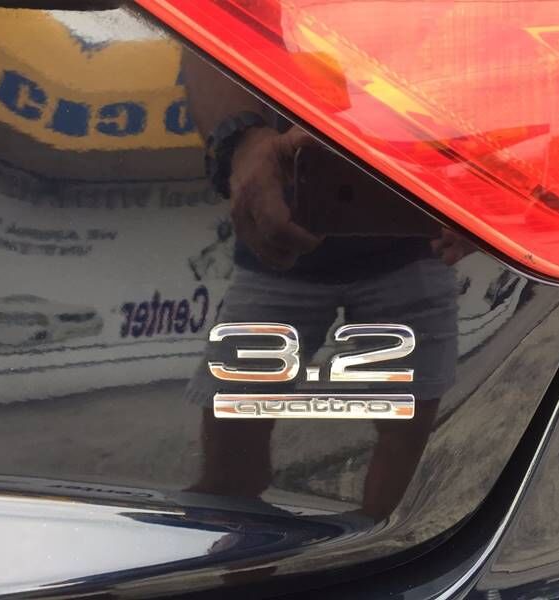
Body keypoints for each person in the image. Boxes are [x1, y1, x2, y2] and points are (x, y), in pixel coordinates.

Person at [181, 46, 463, 522]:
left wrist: (241, 142)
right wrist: (242, 143)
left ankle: (247, 543)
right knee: (234, 470)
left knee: (400, 472)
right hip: (305, 242)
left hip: (370, 241)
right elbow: (204, 46)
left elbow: (203, 48)